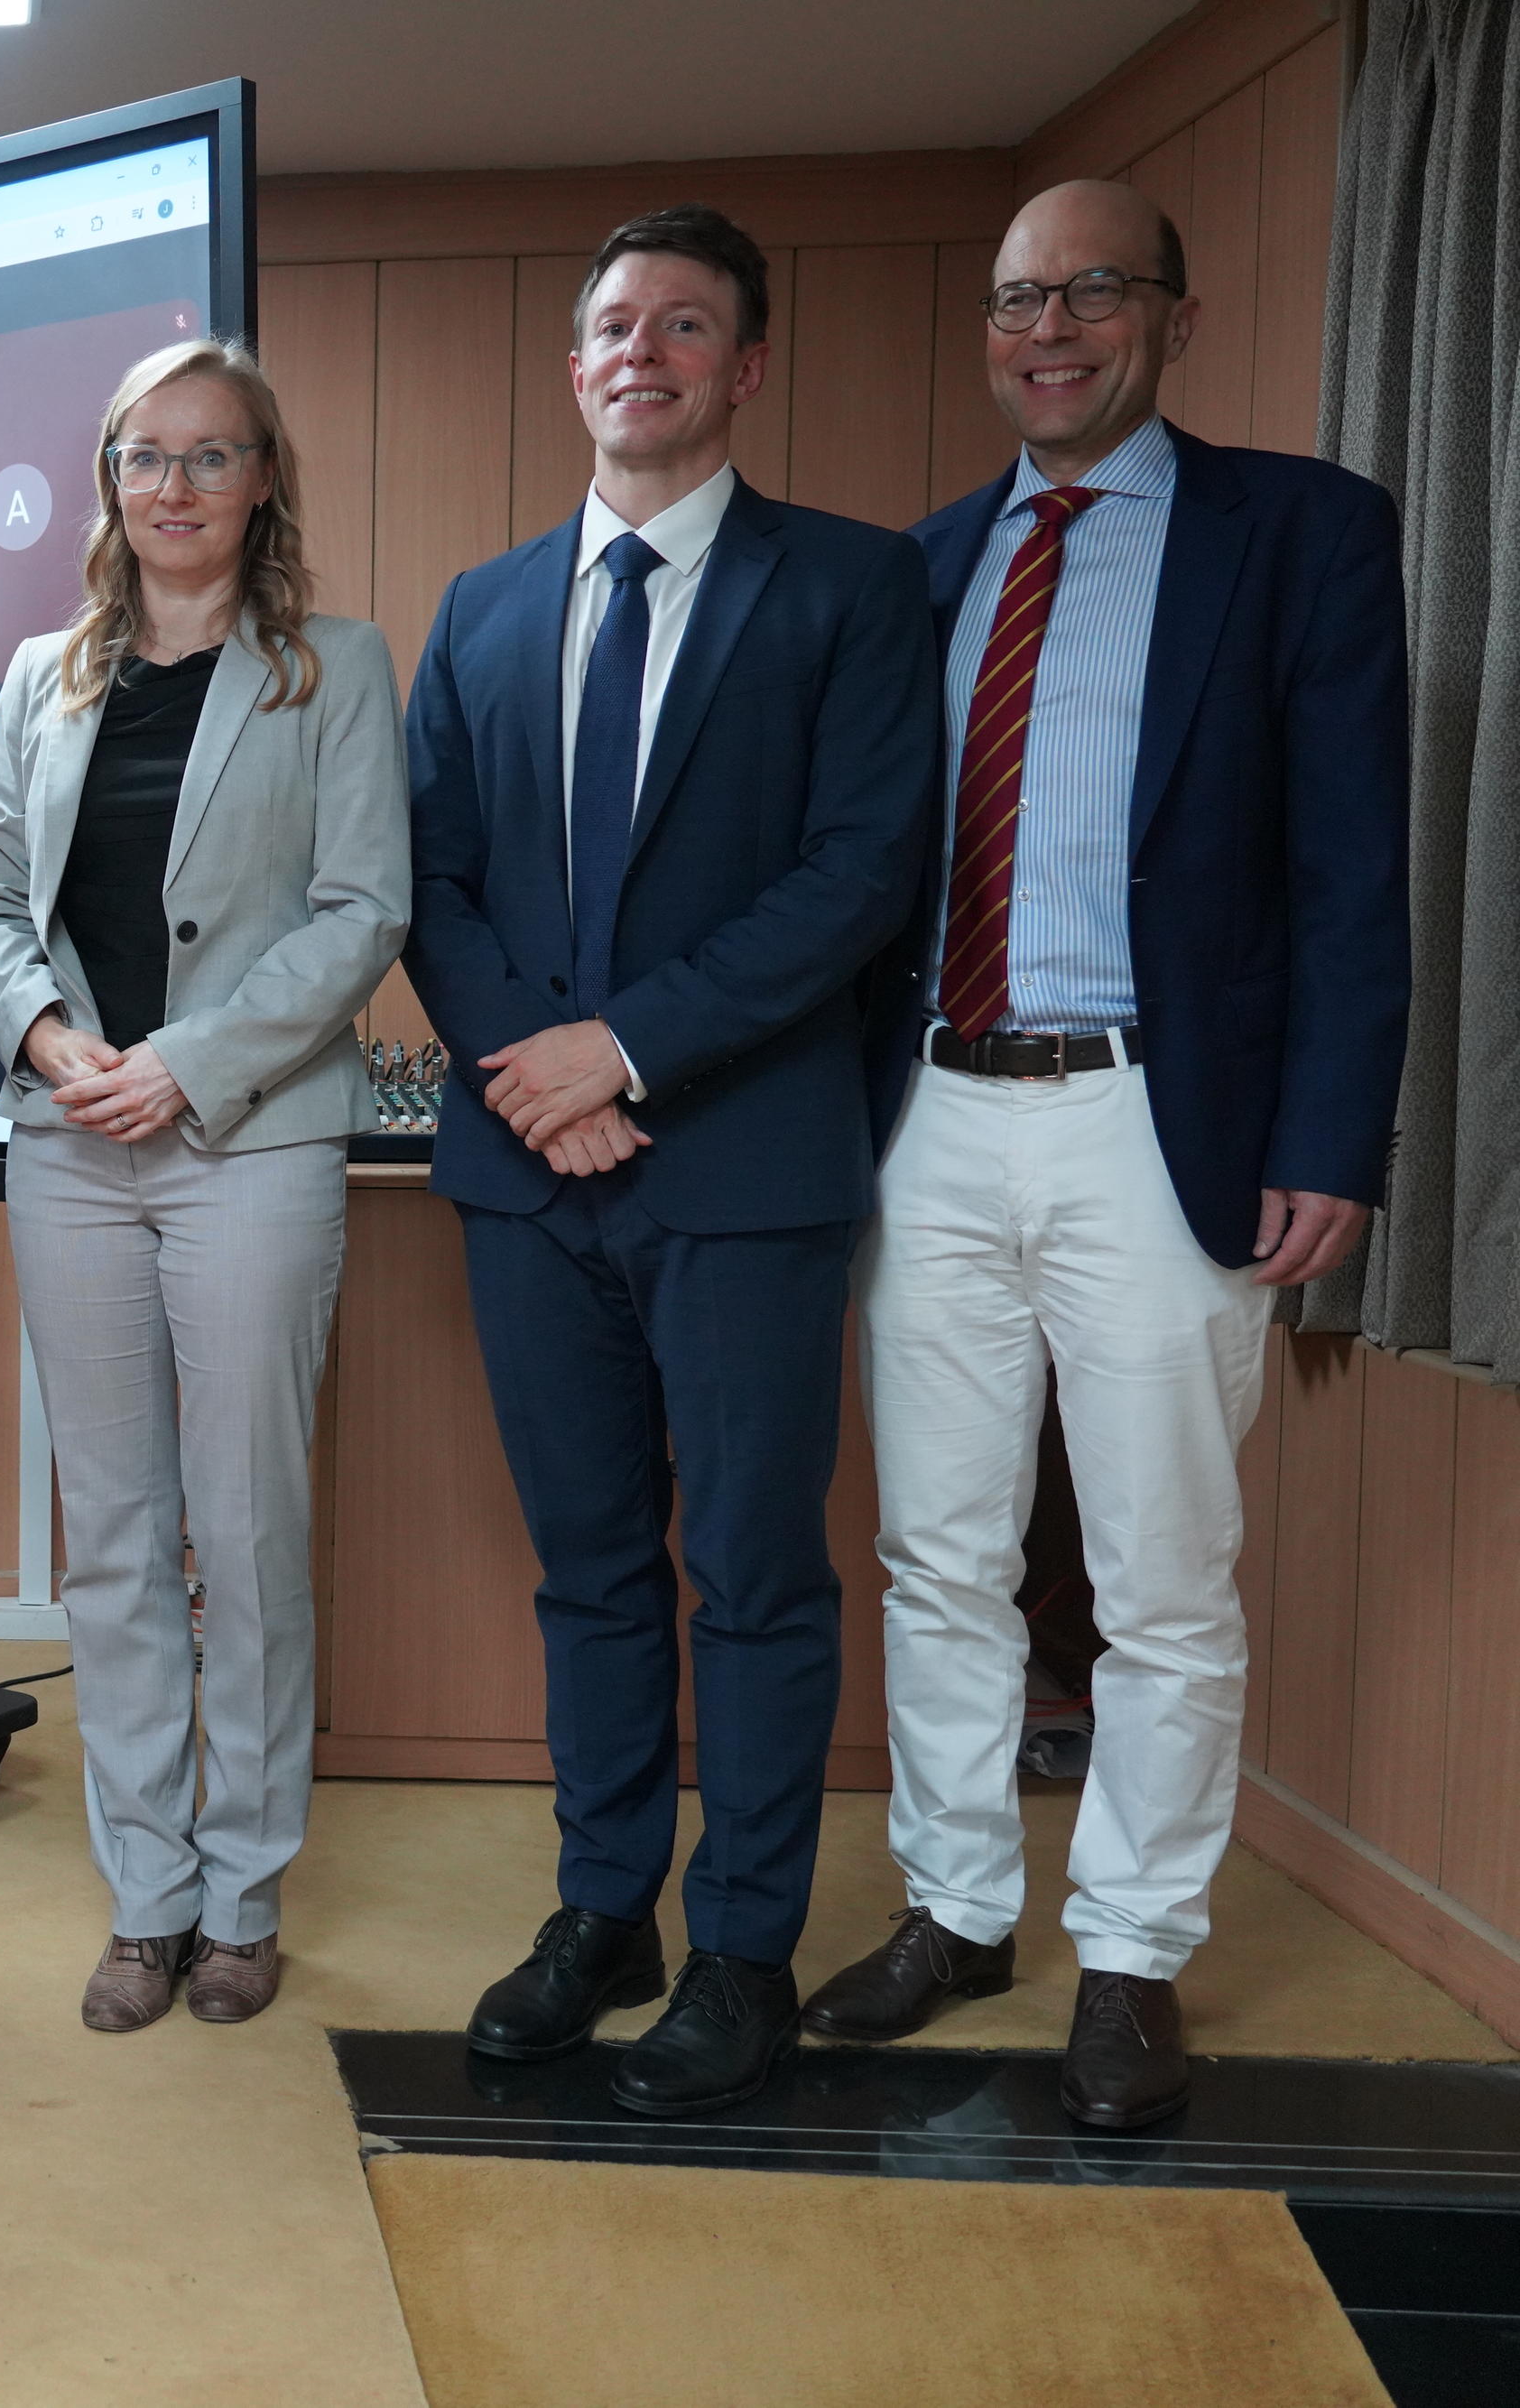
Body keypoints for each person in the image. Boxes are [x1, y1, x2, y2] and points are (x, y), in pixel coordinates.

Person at [804, 181, 1412, 2130]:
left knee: (1161, 1571)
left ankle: (1134, 1950)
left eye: (1084, 290)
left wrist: (1328, 1127)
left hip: (1169, 1119)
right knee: (935, 1551)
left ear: (1170, 312)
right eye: (1009, 297)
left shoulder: (1299, 533)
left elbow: (1347, 868)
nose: (1042, 327)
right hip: (936, 1112)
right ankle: (959, 1904)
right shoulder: (924, 563)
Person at [401, 206, 939, 2116]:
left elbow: (857, 877)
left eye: (684, 325)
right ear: (573, 368)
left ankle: (738, 1952)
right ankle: (600, 1909)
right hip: (522, 1182)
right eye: (613, 324)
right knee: (589, 1574)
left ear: (742, 369)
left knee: (752, 1576)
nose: (642, 351)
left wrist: (620, 1051)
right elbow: (433, 881)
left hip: (743, 1170)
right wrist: (536, 1076)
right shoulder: (476, 608)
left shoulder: (853, 589)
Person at [0, 338, 408, 2033]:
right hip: (73, 1139)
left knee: (245, 1522)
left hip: (246, 1139)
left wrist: (190, 1058)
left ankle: (246, 1886)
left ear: (263, 478)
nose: (174, 485)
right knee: (117, 1536)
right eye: (145, 457)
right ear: (109, 480)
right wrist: (57, 1034)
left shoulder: (331, 669)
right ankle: (147, 1895)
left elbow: (364, 909)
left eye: (210, 456)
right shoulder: (41, 674)